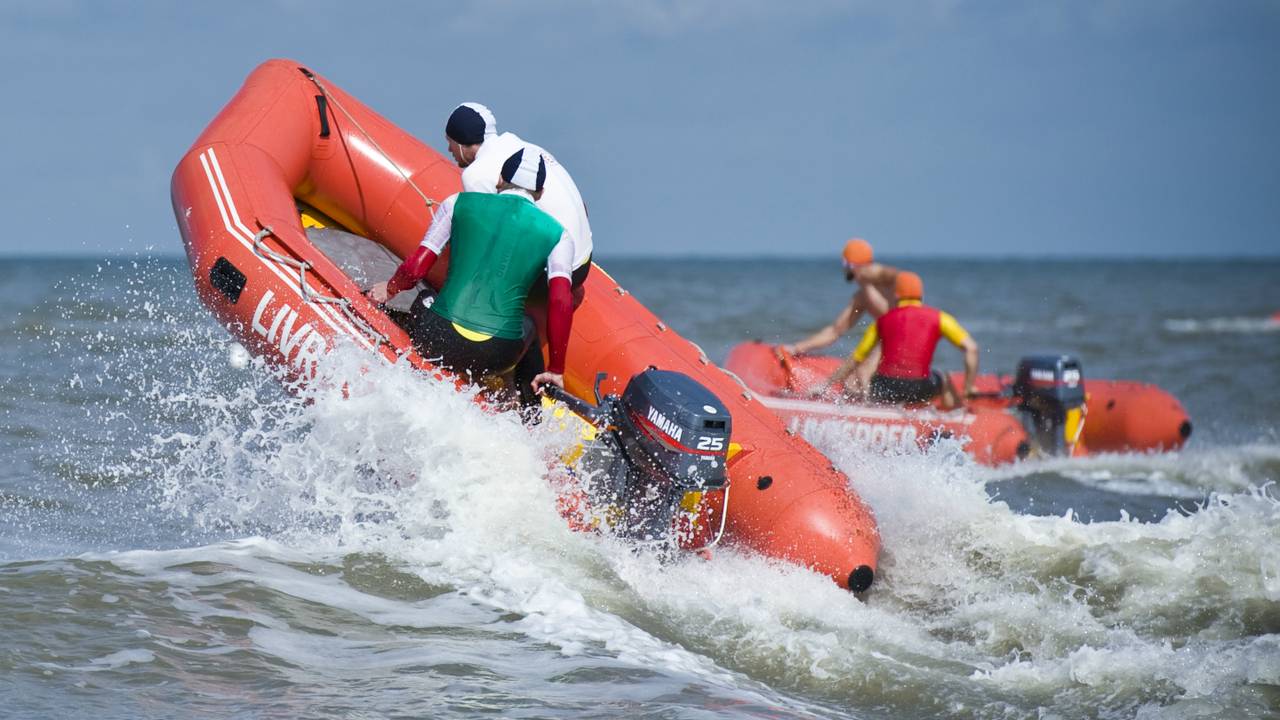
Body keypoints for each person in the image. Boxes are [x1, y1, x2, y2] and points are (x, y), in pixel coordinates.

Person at [367, 148, 575, 394]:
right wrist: (557, 368)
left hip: (438, 338)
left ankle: (404, 366)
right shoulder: (558, 235)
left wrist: (389, 290)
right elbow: (561, 301)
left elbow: (416, 267)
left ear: (499, 179)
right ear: (539, 194)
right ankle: (530, 418)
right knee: (527, 325)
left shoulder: (457, 203)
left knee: (425, 298)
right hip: (496, 357)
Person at [443, 103, 593, 292]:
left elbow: (485, 238)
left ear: (460, 143)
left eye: (449, 142)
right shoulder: (522, 146)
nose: (449, 149)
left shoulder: (476, 174)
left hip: (555, 275)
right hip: (584, 257)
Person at [816, 271, 979, 409]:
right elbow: (971, 348)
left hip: (886, 387)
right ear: (921, 295)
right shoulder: (940, 318)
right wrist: (968, 386)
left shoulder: (882, 321)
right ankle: (953, 414)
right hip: (918, 387)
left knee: (856, 383)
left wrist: (826, 386)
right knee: (943, 377)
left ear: (896, 294)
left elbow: (856, 358)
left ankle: (867, 412)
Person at [780, 238, 903, 389]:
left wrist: (876, 273)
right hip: (887, 340)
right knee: (850, 382)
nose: (844, 269)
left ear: (850, 264)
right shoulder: (861, 297)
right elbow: (835, 331)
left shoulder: (877, 273)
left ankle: (884, 403)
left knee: (861, 375)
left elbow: (902, 278)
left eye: (844, 264)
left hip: (902, 338)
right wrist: (796, 348)